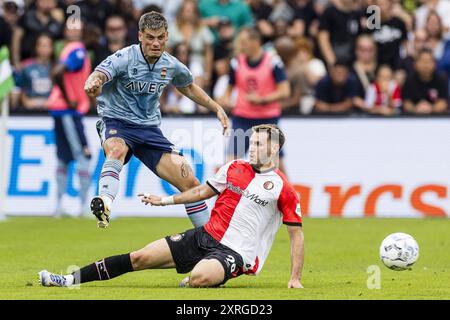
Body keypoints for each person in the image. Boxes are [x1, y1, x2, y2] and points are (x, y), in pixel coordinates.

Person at [38, 124, 304, 289]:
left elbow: (296, 235)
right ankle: (69, 280)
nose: (252, 148)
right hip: (205, 236)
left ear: (275, 147)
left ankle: (205, 272)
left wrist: (295, 278)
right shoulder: (234, 168)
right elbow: (200, 191)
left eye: (258, 144)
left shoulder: (283, 188)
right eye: (251, 142)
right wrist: (163, 200)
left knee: (199, 278)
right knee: (139, 257)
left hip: (236, 252)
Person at [84, 11, 229, 228]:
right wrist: (93, 83)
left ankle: (211, 240)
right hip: (117, 122)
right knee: (115, 150)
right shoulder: (124, 58)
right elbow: (99, 74)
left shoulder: (170, 64)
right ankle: (105, 202)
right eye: (150, 37)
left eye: (160, 37)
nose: (156, 43)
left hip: (149, 130)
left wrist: (216, 107)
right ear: (140, 35)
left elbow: (188, 86)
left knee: (190, 182)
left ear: (167, 36)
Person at [219, 27, 290, 174]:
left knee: (277, 166)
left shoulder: (273, 61)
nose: (240, 46)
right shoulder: (236, 62)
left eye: (244, 42)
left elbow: (285, 91)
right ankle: (228, 196)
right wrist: (225, 101)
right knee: (230, 163)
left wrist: (262, 100)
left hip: (267, 119)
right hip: (243, 117)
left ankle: (290, 196)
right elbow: (228, 92)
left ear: (256, 42)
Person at [46, 22, 92, 217]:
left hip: (59, 110)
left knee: (63, 158)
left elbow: (57, 72)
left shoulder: (65, 50)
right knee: (82, 154)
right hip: (68, 111)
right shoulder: (78, 51)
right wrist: (68, 98)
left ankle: (59, 206)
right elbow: (57, 73)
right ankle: (84, 206)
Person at [402, 48, 448, 115]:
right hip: (413, 119)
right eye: (422, 61)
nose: (426, 65)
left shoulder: (441, 80)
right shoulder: (409, 81)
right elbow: (406, 103)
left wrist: (431, 108)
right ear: (415, 64)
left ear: (435, 64)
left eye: (429, 61)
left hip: (436, 119)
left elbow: (443, 102)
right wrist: (415, 109)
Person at [14, 33, 53, 111]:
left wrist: (52, 102)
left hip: (52, 108)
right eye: (41, 45)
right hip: (29, 110)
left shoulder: (57, 68)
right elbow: (19, 87)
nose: (44, 49)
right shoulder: (26, 67)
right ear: (36, 47)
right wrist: (26, 101)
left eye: (47, 46)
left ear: (52, 48)